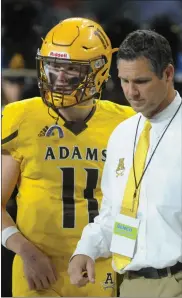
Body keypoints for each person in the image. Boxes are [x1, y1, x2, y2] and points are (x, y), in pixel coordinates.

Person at [1, 17, 135, 297]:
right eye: (52, 67)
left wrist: (126, 253)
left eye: (71, 69)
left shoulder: (126, 124)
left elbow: (135, 207)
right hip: (37, 269)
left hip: (102, 269)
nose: (58, 78)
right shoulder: (20, 117)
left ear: (99, 70)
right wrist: (26, 252)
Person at [68, 30, 182, 298]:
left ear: (167, 74)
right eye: (124, 80)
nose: (132, 92)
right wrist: (86, 249)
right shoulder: (122, 134)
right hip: (129, 285)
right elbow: (113, 213)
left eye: (141, 81)